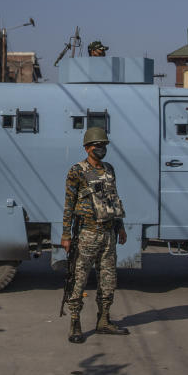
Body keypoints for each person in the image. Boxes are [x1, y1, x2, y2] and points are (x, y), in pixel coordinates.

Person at [60, 126, 128, 343]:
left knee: (108, 280)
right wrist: (66, 235)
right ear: (88, 147)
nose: (101, 148)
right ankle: (75, 323)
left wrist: (120, 226)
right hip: (86, 233)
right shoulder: (76, 171)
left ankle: (104, 320)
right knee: (78, 280)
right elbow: (69, 204)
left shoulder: (109, 169)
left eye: (104, 145)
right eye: (97, 145)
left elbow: (112, 199)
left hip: (108, 234)